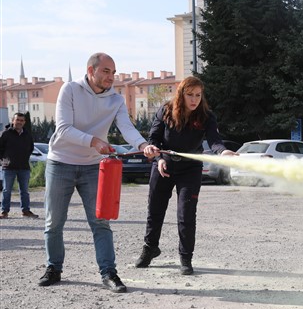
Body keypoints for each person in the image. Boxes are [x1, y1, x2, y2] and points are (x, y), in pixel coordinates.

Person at [38, 52, 150, 293]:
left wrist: (142, 145)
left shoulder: (116, 100)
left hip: (92, 166)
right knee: (54, 222)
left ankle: (109, 273)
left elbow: (127, 128)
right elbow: (64, 129)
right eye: (106, 71)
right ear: (91, 71)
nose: (111, 77)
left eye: (113, 72)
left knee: (101, 222)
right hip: (61, 162)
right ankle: (53, 268)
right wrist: (94, 142)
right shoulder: (69, 90)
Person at [135, 76, 237, 275]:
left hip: (190, 170)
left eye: (198, 95)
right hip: (163, 166)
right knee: (155, 211)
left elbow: (215, 141)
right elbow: (153, 140)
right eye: (190, 95)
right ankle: (150, 249)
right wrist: (158, 159)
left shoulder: (206, 116)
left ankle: (186, 258)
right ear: (181, 94)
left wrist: (223, 152)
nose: (194, 100)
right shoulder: (165, 111)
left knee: (186, 215)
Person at [0, 113, 39, 219]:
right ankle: (4, 212)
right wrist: (3, 161)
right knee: (6, 190)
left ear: (24, 122)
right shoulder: (6, 134)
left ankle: (25, 211)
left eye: (22, 120)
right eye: (18, 120)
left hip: (24, 167)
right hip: (8, 168)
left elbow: (30, 148)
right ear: (13, 121)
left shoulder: (27, 134)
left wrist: (24, 158)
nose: (20, 122)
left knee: (25, 191)